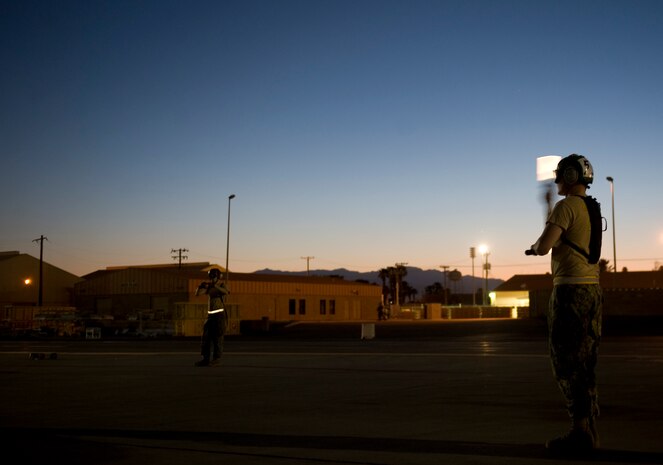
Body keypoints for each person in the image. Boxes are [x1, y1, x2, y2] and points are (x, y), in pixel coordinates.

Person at [527, 154, 603, 455]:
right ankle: (588, 426)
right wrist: (548, 207)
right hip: (593, 291)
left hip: (570, 292)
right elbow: (562, 235)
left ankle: (579, 433)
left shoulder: (566, 205)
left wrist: (534, 248)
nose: (558, 179)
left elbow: (546, 245)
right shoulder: (590, 207)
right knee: (586, 361)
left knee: (566, 361)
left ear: (571, 177)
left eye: (560, 175)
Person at [194, 267, 229, 367]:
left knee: (217, 337)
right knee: (205, 338)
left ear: (218, 277)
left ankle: (216, 359)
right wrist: (200, 286)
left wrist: (215, 286)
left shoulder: (222, 285)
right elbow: (197, 294)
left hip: (219, 315)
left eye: (214, 277)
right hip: (210, 316)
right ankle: (205, 359)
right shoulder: (209, 287)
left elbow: (226, 292)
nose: (212, 279)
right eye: (211, 277)